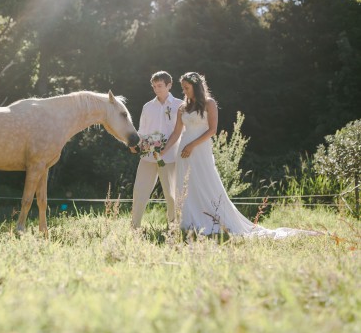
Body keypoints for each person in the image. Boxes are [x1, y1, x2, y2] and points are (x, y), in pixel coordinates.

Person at [161, 72, 318, 238]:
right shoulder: (182, 108)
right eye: (183, 88)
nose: (184, 91)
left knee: (206, 182)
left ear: (196, 87)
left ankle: (212, 221)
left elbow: (212, 130)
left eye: (187, 88)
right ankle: (189, 222)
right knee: (186, 186)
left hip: (200, 150)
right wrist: (163, 150)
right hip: (183, 153)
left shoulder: (209, 103)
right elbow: (176, 133)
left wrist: (192, 145)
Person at [130, 71, 184, 229]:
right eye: (154, 86)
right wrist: (136, 145)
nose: (156, 89)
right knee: (139, 192)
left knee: (171, 194)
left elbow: (181, 131)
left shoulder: (179, 105)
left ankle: (173, 227)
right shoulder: (148, 106)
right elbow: (142, 131)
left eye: (160, 86)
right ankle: (135, 226)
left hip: (170, 157)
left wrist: (164, 151)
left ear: (169, 85)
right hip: (147, 157)